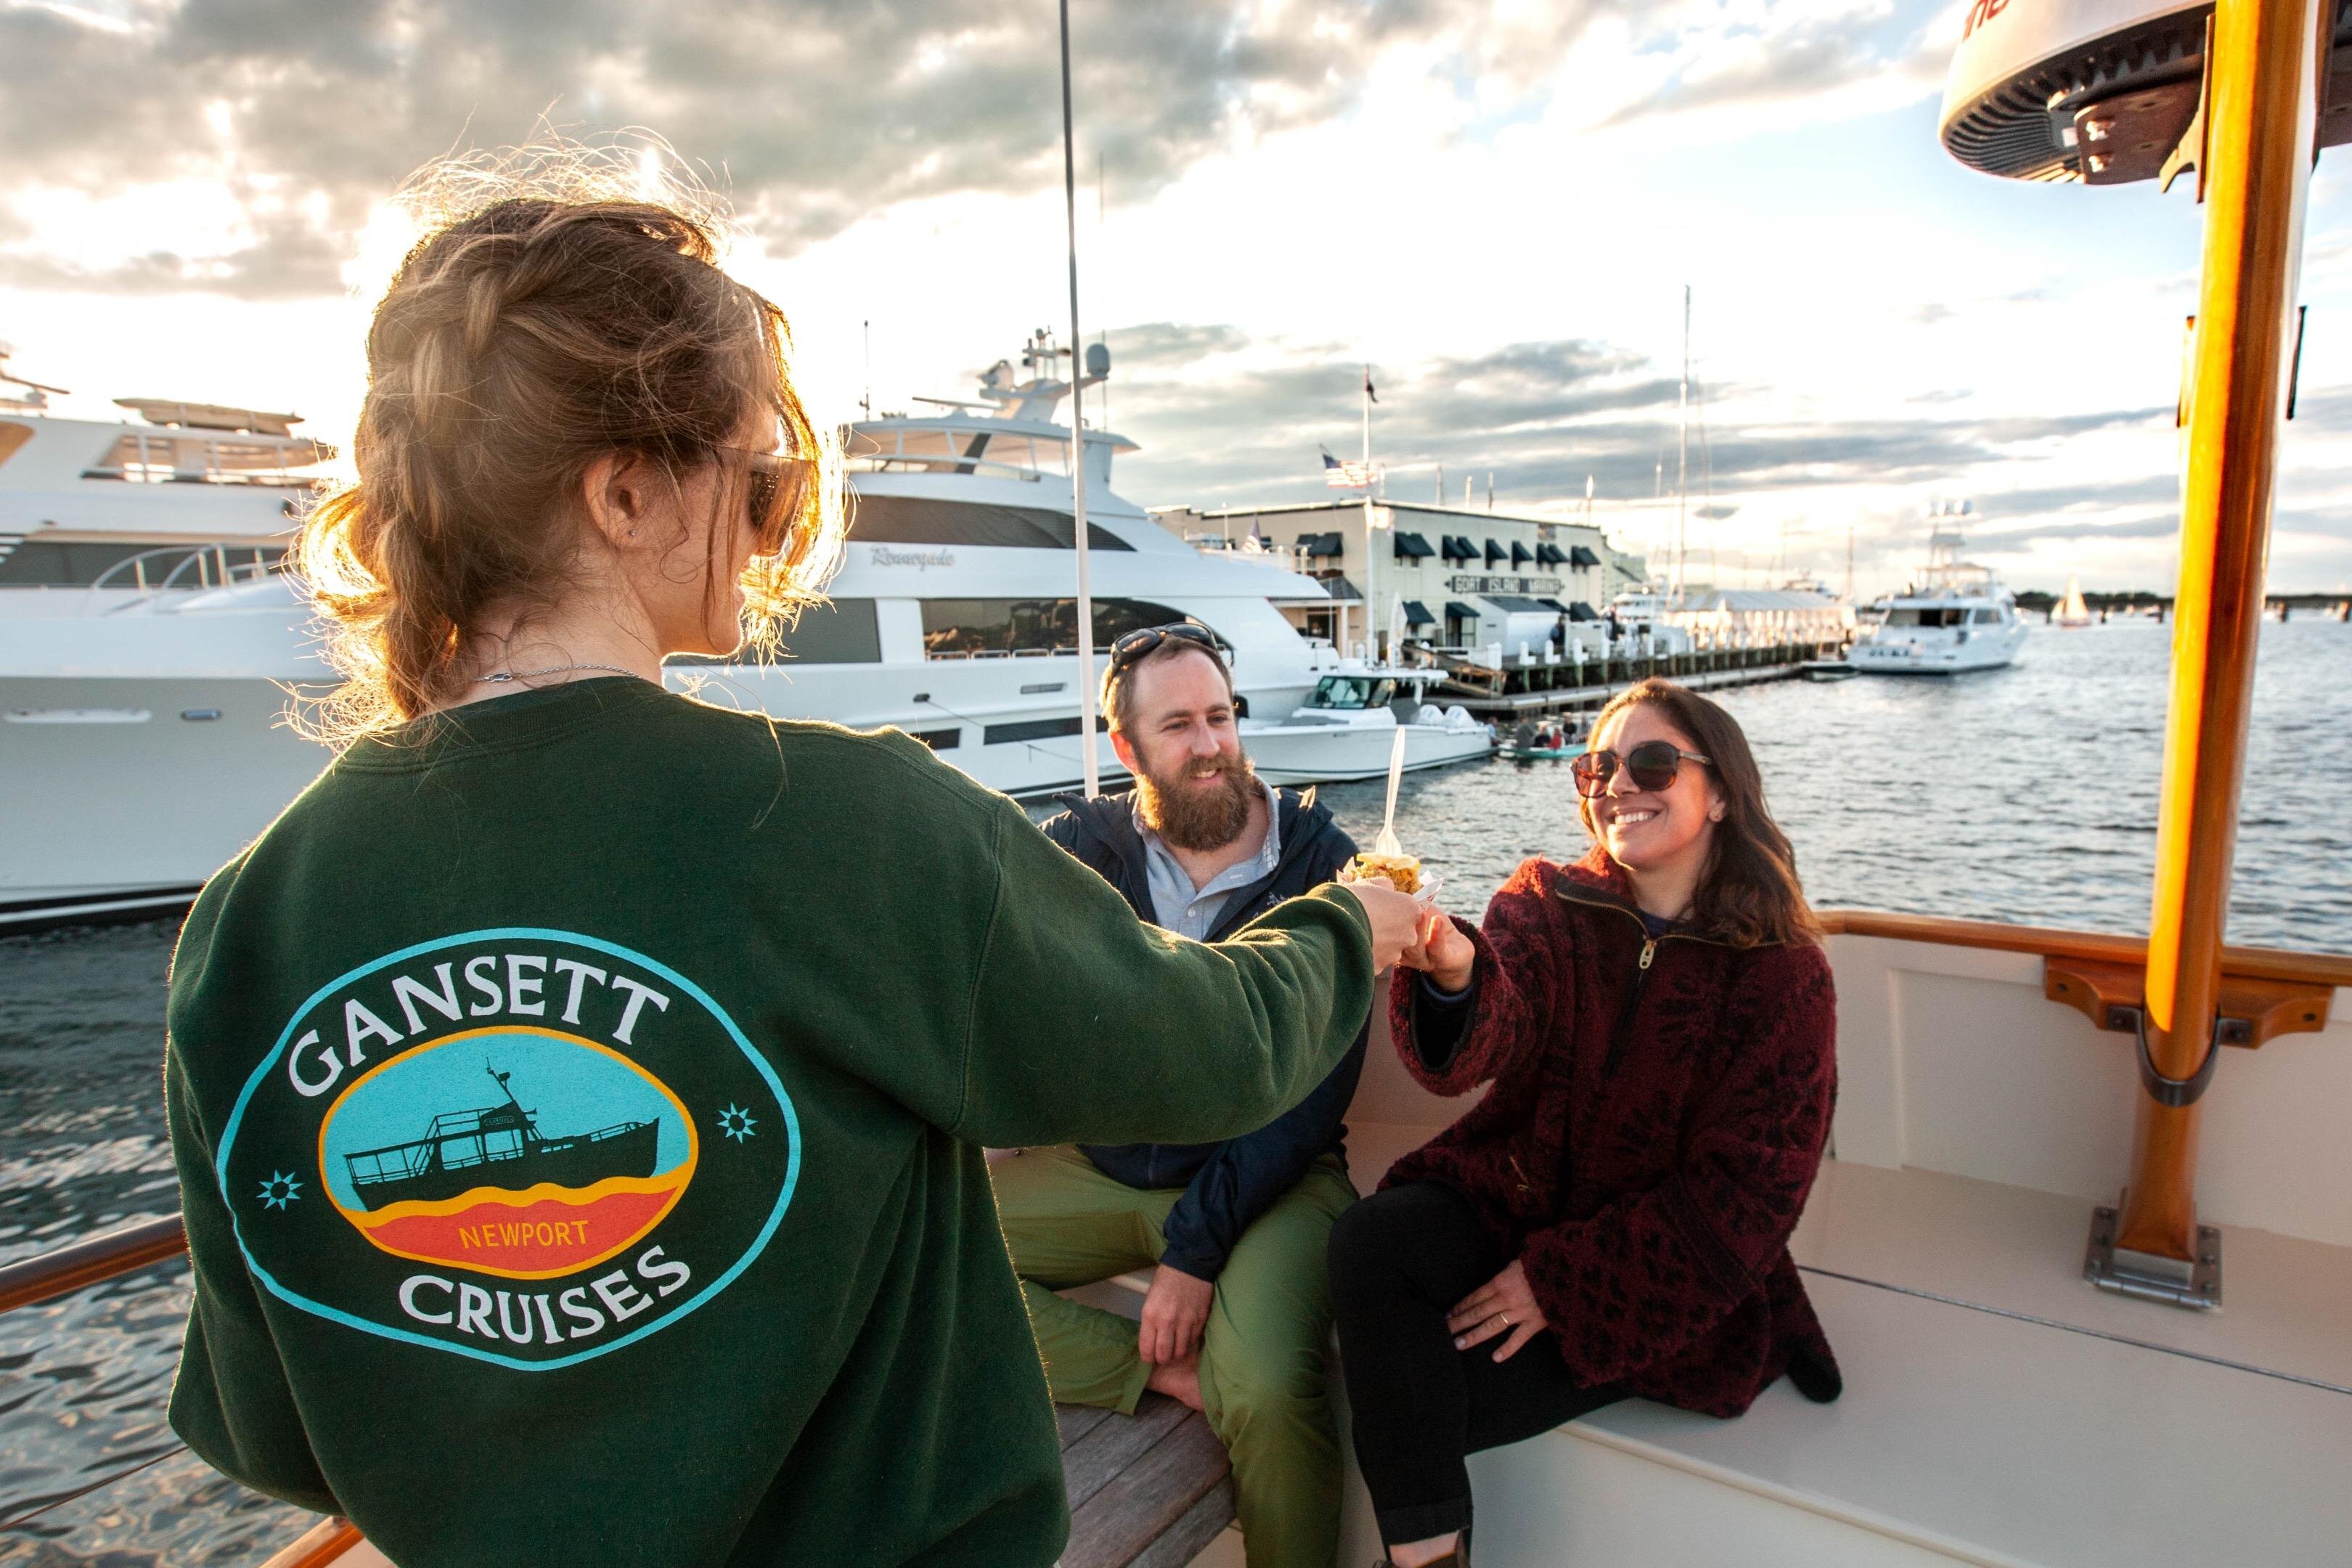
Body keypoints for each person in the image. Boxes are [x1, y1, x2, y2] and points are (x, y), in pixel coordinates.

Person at [158, 146, 1427, 1568]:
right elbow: (1207, 1051)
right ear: (623, 495)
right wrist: (1347, 926)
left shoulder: (251, 918)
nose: (768, 526)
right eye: (755, 475)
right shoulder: (838, 822)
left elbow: (265, 1428)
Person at [1328, 678, 1840, 1568]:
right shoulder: (1547, 902)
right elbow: (1499, 1026)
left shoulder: (1783, 977)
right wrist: (1455, 970)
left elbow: (1746, 1199)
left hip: (1659, 1274)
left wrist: (1561, 1285)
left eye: (1653, 762)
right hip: (1517, 1200)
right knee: (1372, 1241)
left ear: (1722, 792)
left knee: (1423, 1392)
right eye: (1599, 766)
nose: (1618, 784)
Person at [996, 625, 1367, 1568]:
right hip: (1109, 1166)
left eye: (1220, 716)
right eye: (1178, 726)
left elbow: (1313, 1095)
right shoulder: (1079, 855)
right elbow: (984, 981)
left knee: (1265, 1389)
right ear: (1128, 750)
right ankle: (1151, 1375)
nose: (1210, 746)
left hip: (1276, 1179)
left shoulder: (1321, 864)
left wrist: (1195, 1253)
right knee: (906, 1254)